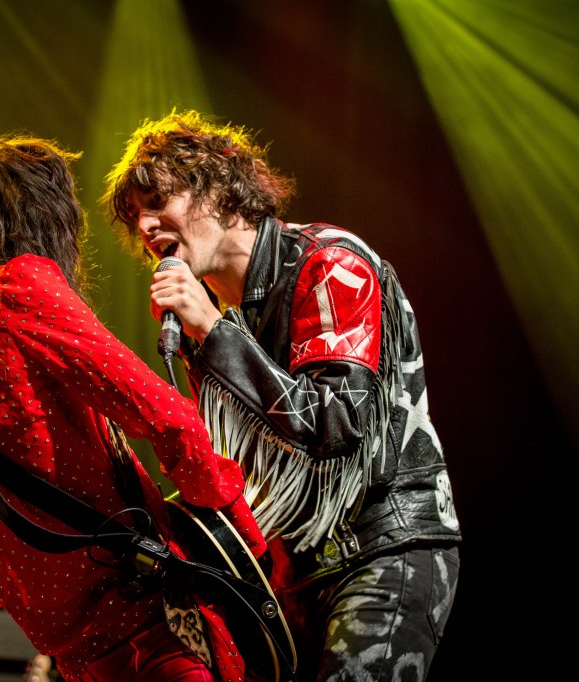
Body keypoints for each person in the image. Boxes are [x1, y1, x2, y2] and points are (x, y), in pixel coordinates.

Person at [0, 133, 268, 682]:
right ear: (41, 217)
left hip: (70, 653)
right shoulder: (14, 284)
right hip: (144, 621)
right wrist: (240, 535)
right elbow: (164, 414)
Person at [102, 110, 461, 681]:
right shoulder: (221, 320)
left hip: (381, 549)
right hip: (292, 576)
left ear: (217, 191)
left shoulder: (330, 262)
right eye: (134, 217)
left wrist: (212, 333)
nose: (145, 226)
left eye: (157, 202)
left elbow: (336, 422)